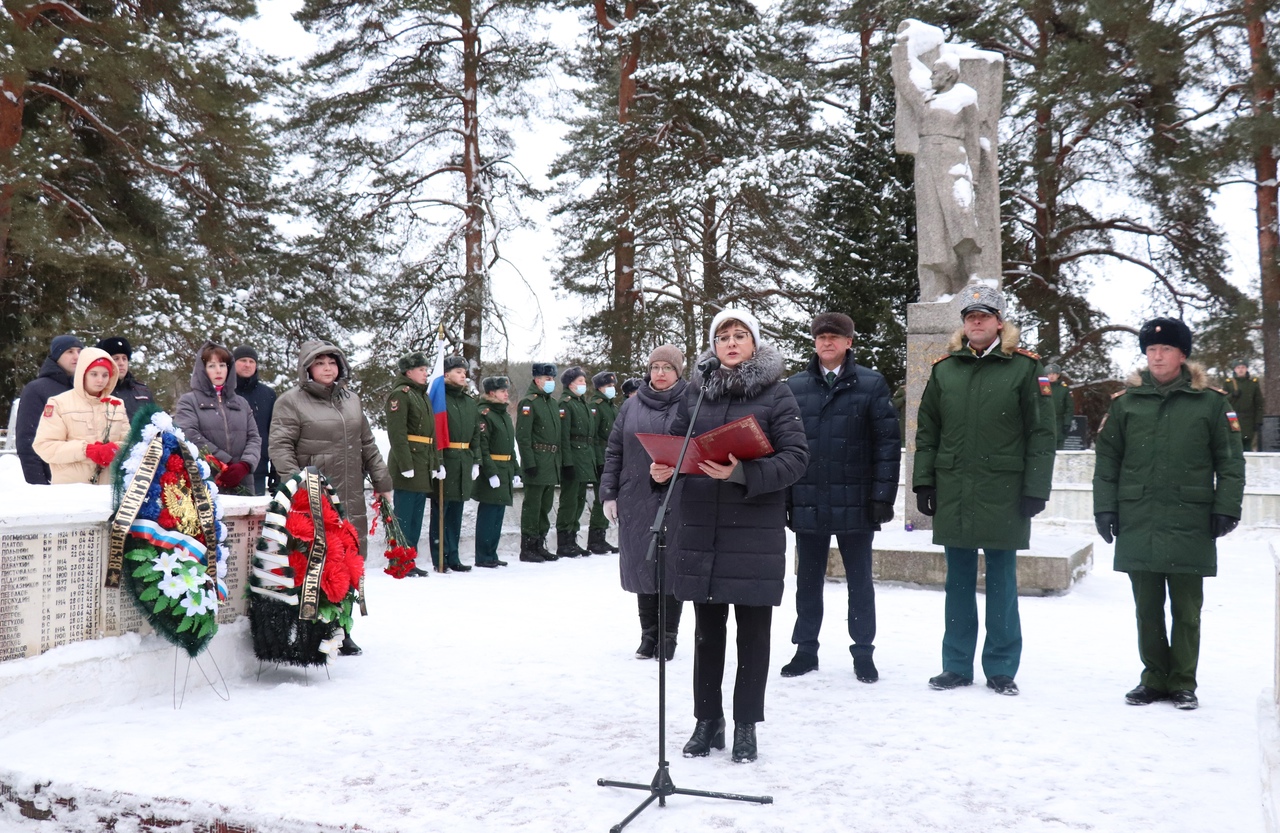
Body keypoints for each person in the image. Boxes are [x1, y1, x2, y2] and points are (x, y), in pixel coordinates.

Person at [654, 308, 808, 764]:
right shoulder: (695, 394)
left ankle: (745, 726)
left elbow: (797, 458)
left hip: (754, 530)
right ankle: (708, 721)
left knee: (753, 636)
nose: (732, 342)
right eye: (723, 336)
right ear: (713, 346)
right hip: (701, 528)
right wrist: (663, 470)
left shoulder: (778, 395)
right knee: (707, 633)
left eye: (741, 335)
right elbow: (679, 447)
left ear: (755, 344)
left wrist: (743, 472)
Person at [1094, 318, 1245, 710]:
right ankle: (1153, 678)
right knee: (1146, 607)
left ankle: (1182, 682)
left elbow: (1229, 461)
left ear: (1182, 355)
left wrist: (1226, 507)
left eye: (1165, 350)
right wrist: (1105, 506)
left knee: (1186, 609)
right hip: (1138, 515)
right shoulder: (1126, 402)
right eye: (1151, 350)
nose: (1157, 356)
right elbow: (1107, 459)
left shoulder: (1211, 403)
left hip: (1189, 517)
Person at [913, 284, 1056, 696]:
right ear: (964, 323)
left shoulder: (1025, 368)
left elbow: (1041, 433)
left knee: (1001, 582)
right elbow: (928, 431)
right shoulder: (945, 370)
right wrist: (924, 480)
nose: (976, 321)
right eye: (970, 316)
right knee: (957, 581)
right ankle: (955, 665)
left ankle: (1001, 668)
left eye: (984, 315)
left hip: (1004, 490)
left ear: (999, 322)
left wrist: (1035, 488)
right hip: (955, 486)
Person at [781, 312, 900, 683]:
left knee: (860, 581)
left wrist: (883, 495)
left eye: (836, 337)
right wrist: (785, 497)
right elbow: (783, 444)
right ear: (814, 342)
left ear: (849, 342)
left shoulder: (871, 383)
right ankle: (805, 649)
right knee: (807, 581)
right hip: (808, 496)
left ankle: (863, 652)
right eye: (821, 337)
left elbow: (887, 444)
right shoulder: (795, 387)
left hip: (857, 500)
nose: (827, 343)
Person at [270, 340, 393, 656]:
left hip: (351, 497)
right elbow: (281, 448)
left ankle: (344, 629)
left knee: (349, 562)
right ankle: (316, 629)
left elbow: (367, 445)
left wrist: (382, 480)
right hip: (314, 498)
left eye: (332, 362)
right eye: (320, 362)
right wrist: (298, 486)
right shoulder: (291, 402)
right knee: (317, 563)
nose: (327, 367)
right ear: (307, 367)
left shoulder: (351, 401)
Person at [601, 346, 689, 661]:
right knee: (642, 564)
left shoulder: (691, 403)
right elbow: (614, 452)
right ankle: (648, 634)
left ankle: (669, 636)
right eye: (655, 367)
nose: (660, 373)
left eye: (667, 367)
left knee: (671, 566)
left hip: (678, 497)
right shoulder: (631, 406)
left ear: (678, 371)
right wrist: (609, 493)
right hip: (635, 495)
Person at [33, 346, 129, 484]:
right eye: (94, 374)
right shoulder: (59, 403)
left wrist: (116, 449)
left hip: (108, 490)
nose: (100, 380)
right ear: (82, 374)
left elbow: (131, 444)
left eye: (105, 375)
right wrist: (86, 450)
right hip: (72, 491)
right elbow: (45, 446)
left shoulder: (116, 404)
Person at [174, 342, 260, 493]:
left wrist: (244, 465)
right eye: (212, 366)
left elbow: (254, 437)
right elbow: (189, 435)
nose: (218, 371)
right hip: (204, 483)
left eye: (222, 365)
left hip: (242, 482)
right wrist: (225, 462)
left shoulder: (241, 403)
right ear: (203, 370)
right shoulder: (189, 401)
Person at [384, 351, 438, 577]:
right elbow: (397, 434)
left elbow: (430, 434)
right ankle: (399, 561)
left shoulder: (421, 396)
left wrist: (434, 463)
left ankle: (409, 560)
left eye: (426, 370)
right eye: (422, 370)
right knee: (404, 516)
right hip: (409, 461)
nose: (426, 374)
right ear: (409, 372)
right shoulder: (401, 395)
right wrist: (405, 463)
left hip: (422, 461)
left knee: (416, 516)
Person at [429, 355, 480, 573]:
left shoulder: (469, 402)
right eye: (458, 371)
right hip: (447, 459)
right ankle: (439, 556)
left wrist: (476, 460)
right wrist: (438, 461)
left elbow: (476, 434)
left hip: (463, 460)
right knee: (441, 510)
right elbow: (434, 432)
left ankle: (454, 556)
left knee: (456, 512)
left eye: (464, 372)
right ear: (446, 374)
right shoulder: (439, 399)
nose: (463, 375)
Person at [16, 334, 83, 485]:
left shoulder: (84, 389)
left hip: (83, 481)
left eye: (79, 351)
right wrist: (39, 483)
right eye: (70, 351)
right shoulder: (36, 389)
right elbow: (27, 440)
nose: (76, 356)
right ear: (57, 355)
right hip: (52, 480)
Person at [473, 376, 520, 568]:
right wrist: (491, 472)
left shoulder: (504, 414)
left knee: (497, 514)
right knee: (488, 514)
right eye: (502, 391)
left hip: (505, 468)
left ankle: (491, 553)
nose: (506, 394)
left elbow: (510, 446)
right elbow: (482, 447)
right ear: (492, 393)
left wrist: (516, 469)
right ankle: (483, 555)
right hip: (492, 469)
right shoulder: (485, 413)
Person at [517, 362, 561, 563]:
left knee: (545, 505)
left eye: (552, 379)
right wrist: (529, 462)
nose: (551, 382)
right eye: (547, 379)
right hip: (536, 459)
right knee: (532, 506)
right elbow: (523, 436)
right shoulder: (529, 402)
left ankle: (540, 543)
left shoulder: (552, 403)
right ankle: (528, 547)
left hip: (550, 462)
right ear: (537, 380)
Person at [553, 365, 595, 558]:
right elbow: (564, 437)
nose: (584, 385)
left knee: (578, 500)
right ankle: (564, 541)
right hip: (573, 456)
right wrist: (567, 462)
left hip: (584, 457)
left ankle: (572, 537)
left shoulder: (582, 403)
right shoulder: (566, 404)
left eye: (584, 381)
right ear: (570, 384)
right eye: (580, 381)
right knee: (569, 501)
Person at [233, 345, 277, 496]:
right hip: (226, 470)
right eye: (243, 360)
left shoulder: (268, 395)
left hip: (258, 470)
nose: (247, 364)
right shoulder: (224, 392)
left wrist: (275, 472)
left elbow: (275, 433)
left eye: (252, 361)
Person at [585, 371, 620, 555]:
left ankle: (601, 536)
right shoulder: (596, 406)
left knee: (608, 498)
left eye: (613, 386)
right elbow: (594, 436)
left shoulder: (611, 407)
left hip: (611, 456)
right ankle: (594, 539)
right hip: (601, 456)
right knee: (602, 500)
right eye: (608, 386)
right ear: (600, 388)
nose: (612, 389)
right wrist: (598, 460)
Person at [96, 336, 154, 420]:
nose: (121, 363)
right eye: (116, 359)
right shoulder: (95, 391)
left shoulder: (143, 391)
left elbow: (155, 421)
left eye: (124, 358)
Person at [1223, 360, 1265, 451]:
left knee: (1247, 445)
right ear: (1234, 369)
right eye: (1238, 367)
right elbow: (1223, 401)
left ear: (1246, 369)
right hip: (1233, 417)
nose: (1241, 370)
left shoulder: (1253, 384)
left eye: (1243, 367)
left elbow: (1259, 404)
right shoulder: (1228, 383)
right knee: (1235, 443)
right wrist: (1232, 395)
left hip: (1248, 419)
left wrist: (1258, 420)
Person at [1045, 363, 1073, 450]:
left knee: (1058, 448)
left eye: (1053, 374)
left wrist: (1067, 423)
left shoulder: (1064, 389)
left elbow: (1069, 408)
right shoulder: (1042, 388)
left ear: (1058, 375)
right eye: (1049, 374)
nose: (1051, 376)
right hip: (1045, 422)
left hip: (1059, 424)